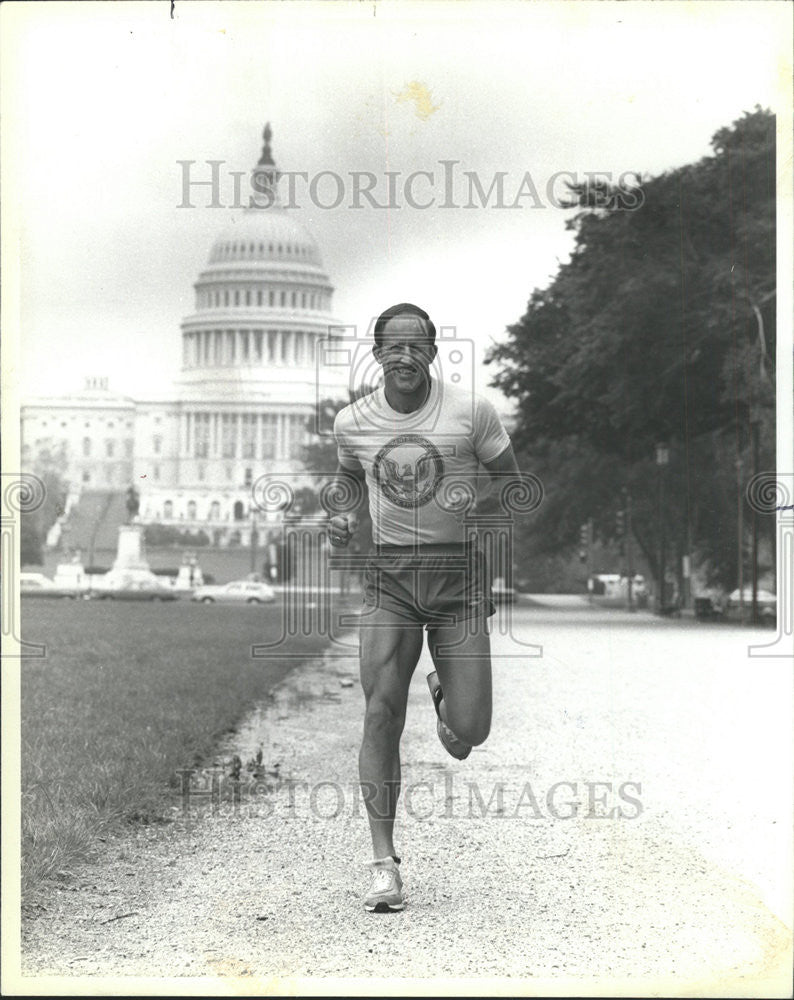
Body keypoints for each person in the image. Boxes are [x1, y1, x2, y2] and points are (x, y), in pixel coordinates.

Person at [328, 302, 519, 912]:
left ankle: (447, 701)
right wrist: (339, 513)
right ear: (378, 354)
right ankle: (383, 864)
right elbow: (348, 481)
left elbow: (511, 481)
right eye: (393, 347)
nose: (404, 356)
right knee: (380, 712)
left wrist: (475, 511)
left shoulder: (470, 411)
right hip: (391, 578)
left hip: (457, 577)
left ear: (433, 353)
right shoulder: (352, 422)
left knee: (471, 732)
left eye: (417, 346)